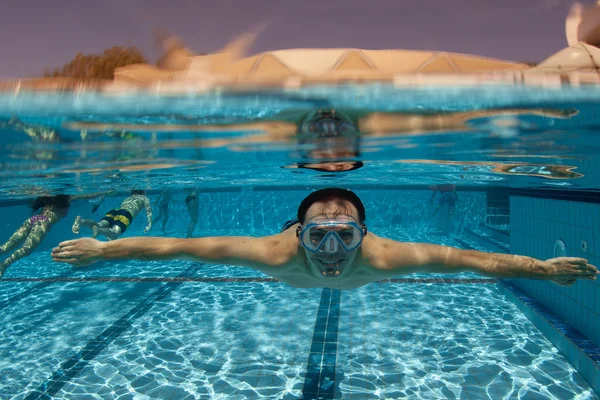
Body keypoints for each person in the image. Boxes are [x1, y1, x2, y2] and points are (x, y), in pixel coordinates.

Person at [52, 188, 598, 289]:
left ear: (365, 235)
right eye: (318, 236)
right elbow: (176, 246)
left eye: (344, 236)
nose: (331, 251)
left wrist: (542, 269)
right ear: (297, 233)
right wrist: (107, 248)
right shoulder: (274, 250)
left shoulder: (384, 257)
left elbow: (474, 259)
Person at [0, 192, 105, 277]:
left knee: (5, 247)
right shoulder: (67, 197)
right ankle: (4, 264)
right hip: (43, 222)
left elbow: (88, 195)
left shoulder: (50, 197)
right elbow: (88, 195)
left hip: (33, 219)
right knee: (26, 249)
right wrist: (104, 192)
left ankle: (4, 263)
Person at [71, 190, 152, 240]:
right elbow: (148, 211)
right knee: (114, 234)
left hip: (115, 211)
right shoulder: (144, 198)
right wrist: (149, 223)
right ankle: (99, 230)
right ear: (143, 192)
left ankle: (81, 221)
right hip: (125, 214)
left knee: (100, 224)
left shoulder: (128, 198)